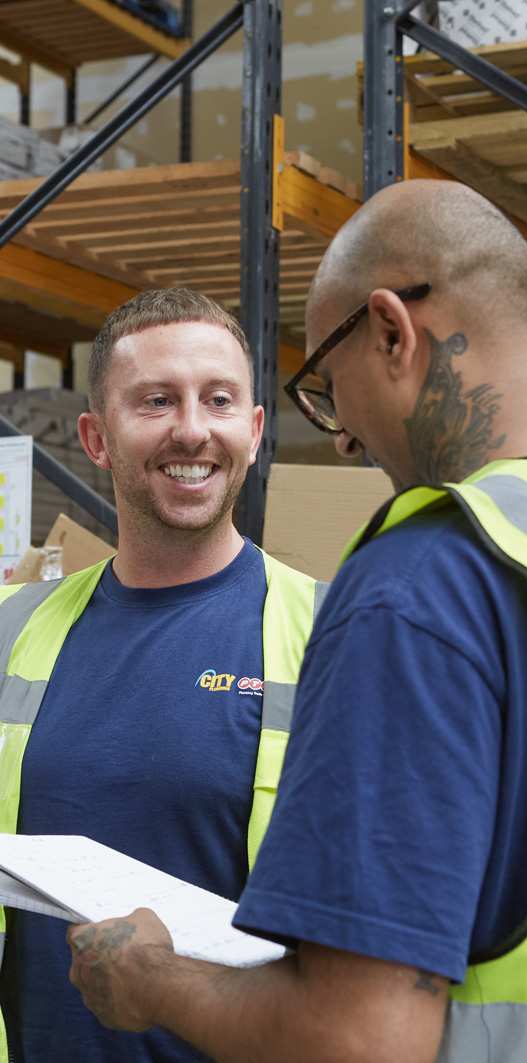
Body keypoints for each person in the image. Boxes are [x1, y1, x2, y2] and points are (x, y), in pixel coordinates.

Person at [67, 181, 527, 1062]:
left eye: (329, 384)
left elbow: (359, 1039)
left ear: (390, 332)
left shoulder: (426, 582)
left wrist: (152, 980)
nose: (343, 435)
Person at [0, 289, 325, 1063]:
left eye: (218, 399)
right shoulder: (13, 627)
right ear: (96, 437)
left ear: (253, 431)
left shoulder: (330, 635)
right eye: (156, 400)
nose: (192, 428)